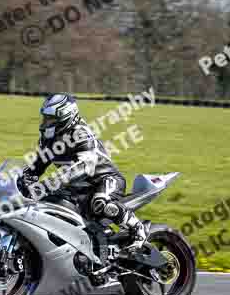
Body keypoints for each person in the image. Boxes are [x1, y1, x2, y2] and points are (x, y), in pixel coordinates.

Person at [20, 94, 146, 253]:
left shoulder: (81, 134)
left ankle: (137, 230)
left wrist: (49, 184)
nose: (45, 123)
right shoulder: (48, 140)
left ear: (65, 117)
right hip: (78, 187)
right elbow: (36, 167)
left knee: (99, 202)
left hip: (105, 180)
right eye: (45, 118)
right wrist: (20, 182)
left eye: (50, 119)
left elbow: (83, 167)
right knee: (50, 205)